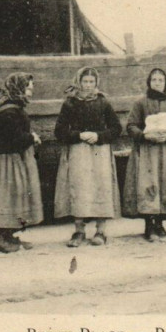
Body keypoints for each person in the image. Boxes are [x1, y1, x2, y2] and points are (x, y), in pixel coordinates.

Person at [54, 67, 122, 247]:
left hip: (99, 152)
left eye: (92, 82)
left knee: (101, 186)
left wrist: (99, 136)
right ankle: (79, 231)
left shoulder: (103, 102)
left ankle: (101, 231)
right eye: (85, 82)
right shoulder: (70, 104)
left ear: (96, 83)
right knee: (80, 188)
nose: (88, 86)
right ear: (79, 82)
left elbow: (116, 129)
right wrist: (78, 135)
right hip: (78, 152)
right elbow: (59, 131)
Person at [0, 72, 43, 253]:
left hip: (9, 158)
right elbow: (13, 138)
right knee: (5, 197)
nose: (30, 92)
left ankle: (7, 236)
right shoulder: (8, 111)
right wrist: (32, 137)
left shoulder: (9, 106)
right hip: (5, 161)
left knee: (12, 197)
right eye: (28, 88)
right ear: (19, 88)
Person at [123, 68, 166, 242]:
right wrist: (144, 135)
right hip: (147, 151)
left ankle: (160, 224)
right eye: (154, 80)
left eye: (160, 80)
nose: (157, 83)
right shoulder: (141, 103)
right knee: (148, 185)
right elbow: (131, 126)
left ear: (165, 83)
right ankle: (149, 226)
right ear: (149, 82)